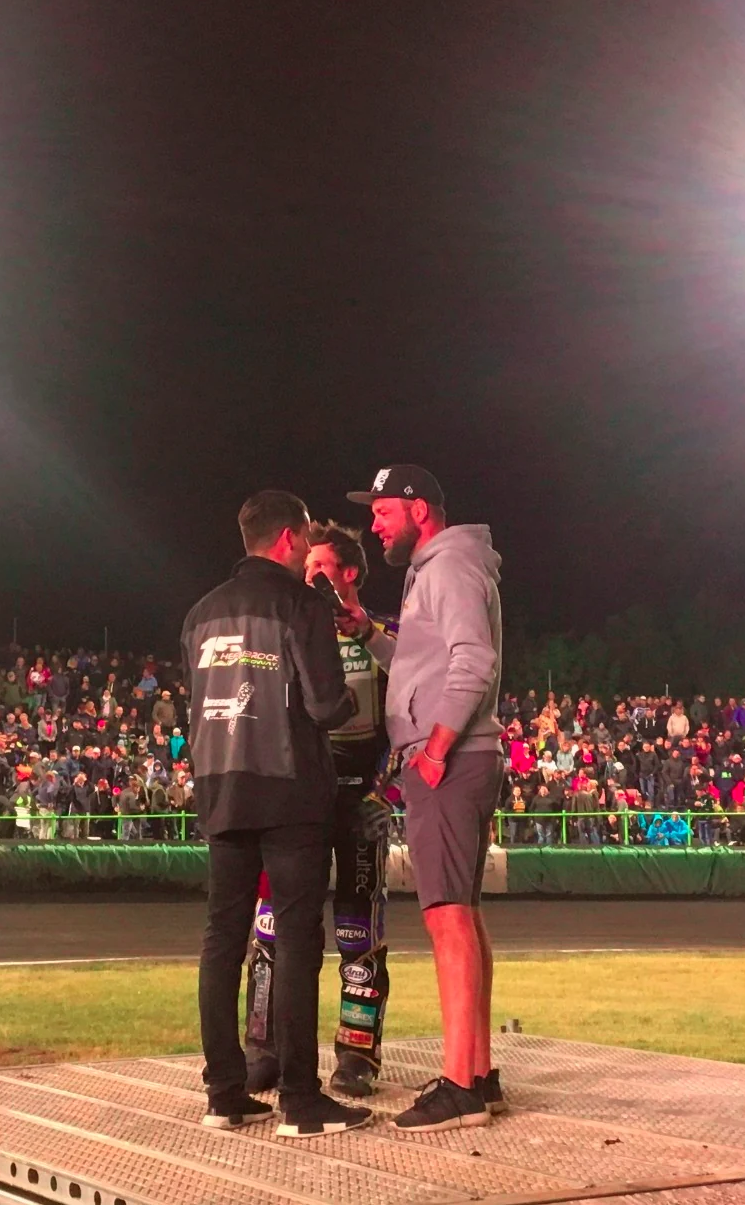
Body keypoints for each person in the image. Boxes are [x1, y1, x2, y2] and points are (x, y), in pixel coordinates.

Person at [185, 490, 367, 1138]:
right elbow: (323, 705)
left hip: (220, 788)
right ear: (290, 539)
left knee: (222, 940)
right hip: (289, 792)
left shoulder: (200, 614)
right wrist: (349, 704)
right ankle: (300, 1097)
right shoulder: (301, 604)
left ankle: (223, 1094)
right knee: (295, 942)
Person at [338, 465, 507, 1132]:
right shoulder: (439, 566)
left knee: (445, 917)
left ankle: (461, 1083)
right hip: (457, 753)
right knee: (460, 912)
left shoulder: (448, 566)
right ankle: (480, 1072)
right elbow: (425, 658)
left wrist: (434, 747)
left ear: (417, 508)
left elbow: (474, 659)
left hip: (451, 757)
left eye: (381, 512)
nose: (374, 525)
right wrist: (367, 632)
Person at [242, 520, 392, 1099]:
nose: (308, 578)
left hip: (359, 805)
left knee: (357, 932)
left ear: (350, 573)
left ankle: (357, 1054)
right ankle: (265, 1047)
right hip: (297, 803)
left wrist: (387, 795)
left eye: (320, 569)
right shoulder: (288, 631)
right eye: (305, 568)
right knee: (272, 928)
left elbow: (417, 716)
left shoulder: (385, 636)